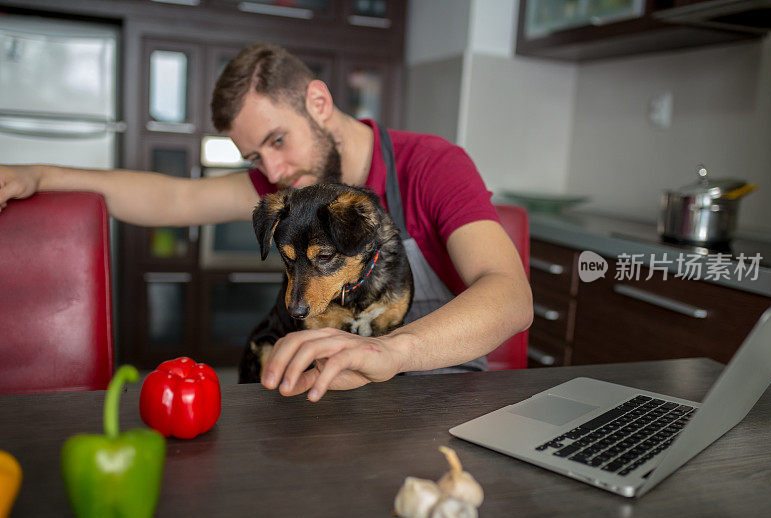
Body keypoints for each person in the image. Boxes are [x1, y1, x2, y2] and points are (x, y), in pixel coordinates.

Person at [0, 43, 533, 402]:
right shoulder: (291, 190)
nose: (274, 171)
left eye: (277, 140)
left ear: (319, 102)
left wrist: (390, 351)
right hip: (345, 399)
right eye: (255, 157)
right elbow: (171, 198)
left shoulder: (432, 165)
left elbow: (510, 297)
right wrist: (39, 173)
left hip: (441, 395)